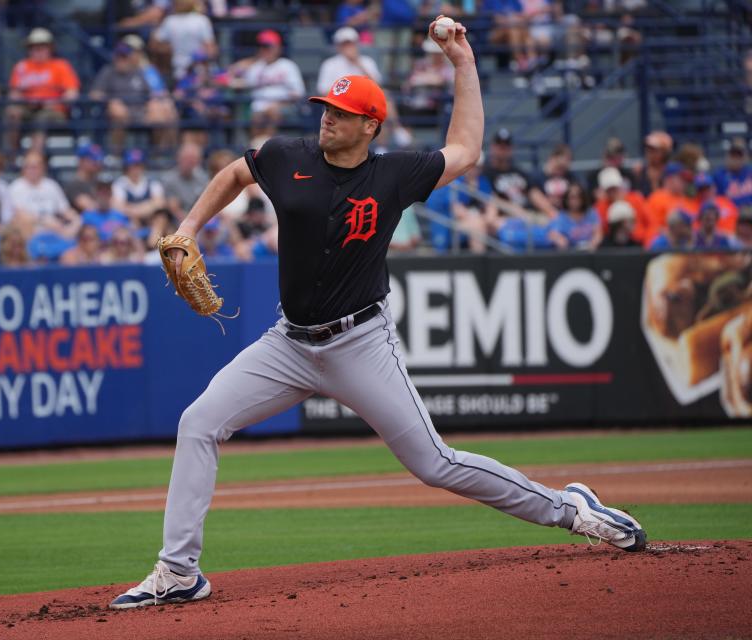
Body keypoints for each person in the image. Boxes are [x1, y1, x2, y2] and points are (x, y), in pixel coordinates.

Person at [110, 18, 647, 611]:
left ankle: (570, 509)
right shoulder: (289, 155)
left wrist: (462, 61)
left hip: (360, 343)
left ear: (370, 125)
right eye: (325, 108)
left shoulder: (392, 174)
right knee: (198, 422)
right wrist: (188, 226)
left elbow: (466, 149)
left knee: (435, 464)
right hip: (287, 344)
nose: (326, 118)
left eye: (340, 112)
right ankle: (179, 570)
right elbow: (238, 171)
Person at [6, 28, 80, 157]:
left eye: (43, 47)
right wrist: (26, 102)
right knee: (13, 112)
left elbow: (72, 93)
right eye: (35, 47)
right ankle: (13, 154)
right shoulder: (21, 66)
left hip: (54, 111)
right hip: (28, 107)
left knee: (41, 118)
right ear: (29, 49)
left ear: (50, 48)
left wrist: (51, 103)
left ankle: (35, 158)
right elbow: (13, 93)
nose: (39, 51)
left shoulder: (61, 66)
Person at [89, 41, 178, 148]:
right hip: (118, 112)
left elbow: (153, 93)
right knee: (118, 111)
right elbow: (94, 94)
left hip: (141, 111)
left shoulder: (139, 72)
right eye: (119, 56)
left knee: (161, 114)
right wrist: (110, 100)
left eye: (124, 57)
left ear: (130, 58)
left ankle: (158, 153)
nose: (121, 60)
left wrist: (154, 102)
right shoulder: (108, 72)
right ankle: (116, 154)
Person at [227, 30, 306, 138]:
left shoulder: (288, 65)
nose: (265, 51)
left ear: (278, 48)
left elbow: (299, 92)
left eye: (268, 47)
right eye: (262, 47)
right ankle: (256, 148)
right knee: (256, 116)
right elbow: (234, 76)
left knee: (272, 111)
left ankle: (267, 146)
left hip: (284, 105)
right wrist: (251, 61)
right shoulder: (256, 67)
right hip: (258, 108)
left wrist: (279, 103)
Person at [8, 151, 80, 238]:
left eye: (35, 167)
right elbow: (20, 215)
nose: (31, 170)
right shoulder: (16, 187)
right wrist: (44, 221)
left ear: (43, 167)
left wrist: (76, 220)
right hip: (30, 232)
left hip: (54, 230)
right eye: (28, 167)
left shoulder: (51, 185)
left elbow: (65, 210)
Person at [150, 0, 217, 82]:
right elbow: (211, 50)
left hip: (192, 71)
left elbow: (154, 44)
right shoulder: (201, 20)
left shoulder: (170, 20)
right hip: (182, 70)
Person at [593, 166, 648, 245]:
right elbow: (604, 231)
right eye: (609, 189)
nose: (612, 192)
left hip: (640, 243)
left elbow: (651, 223)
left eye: (614, 188)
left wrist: (646, 243)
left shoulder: (636, 199)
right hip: (615, 246)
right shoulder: (600, 207)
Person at [112, 148, 167, 228]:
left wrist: (131, 209)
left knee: (161, 218)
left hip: (150, 222)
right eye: (133, 165)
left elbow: (160, 204)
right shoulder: (119, 184)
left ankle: (154, 240)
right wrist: (148, 205)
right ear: (126, 166)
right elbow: (118, 208)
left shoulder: (152, 183)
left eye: (139, 164)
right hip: (128, 223)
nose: (136, 168)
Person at [644, 162, 690, 245]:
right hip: (660, 245)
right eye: (681, 179)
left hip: (681, 244)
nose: (685, 182)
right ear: (670, 179)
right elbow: (653, 226)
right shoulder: (656, 198)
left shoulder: (685, 199)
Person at [161, 142, 209, 219]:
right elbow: (174, 208)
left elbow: (206, 203)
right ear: (178, 158)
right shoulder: (169, 179)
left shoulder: (202, 178)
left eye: (194, 158)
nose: (190, 162)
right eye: (187, 158)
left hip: (199, 218)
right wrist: (189, 224)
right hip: (176, 221)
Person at [547, 182, 601, 250]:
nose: (576, 200)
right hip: (569, 254)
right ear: (566, 199)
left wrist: (593, 244)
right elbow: (553, 234)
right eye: (572, 197)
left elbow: (598, 233)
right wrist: (560, 240)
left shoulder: (591, 213)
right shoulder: (561, 217)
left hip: (589, 253)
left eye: (579, 197)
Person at [82, 176, 130, 243]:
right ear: (96, 193)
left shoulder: (120, 215)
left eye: (107, 191)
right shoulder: (87, 216)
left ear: (111, 193)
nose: (104, 195)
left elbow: (131, 236)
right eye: (101, 191)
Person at [64, 142, 106, 213]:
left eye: (99, 160)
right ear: (82, 161)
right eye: (94, 161)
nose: (98, 164)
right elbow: (91, 207)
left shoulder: (98, 182)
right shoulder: (74, 185)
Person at [713, 138, 752, 209]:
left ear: (745, 157)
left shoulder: (750, 172)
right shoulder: (719, 175)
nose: (736, 159)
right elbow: (717, 201)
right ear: (727, 157)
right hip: (731, 215)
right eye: (733, 155)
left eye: (739, 156)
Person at [632, 130, 673, 197]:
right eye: (648, 148)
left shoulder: (672, 174)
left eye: (654, 150)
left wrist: (654, 182)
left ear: (665, 153)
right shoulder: (639, 171)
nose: (649, 153)